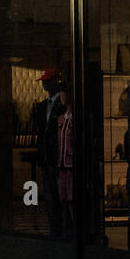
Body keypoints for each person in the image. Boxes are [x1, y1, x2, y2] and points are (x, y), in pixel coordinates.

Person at [31, 69, 65, 238]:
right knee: (51, 198)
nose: (45, 84)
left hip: (57, 158)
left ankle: (61, 231)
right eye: (44, 82)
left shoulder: (63, 104)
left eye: (48, 81)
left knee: (60, 197)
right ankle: (55, 231)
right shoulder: (43, 106)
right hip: (47, 158)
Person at [56, 86, 74, 236]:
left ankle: (74, 227)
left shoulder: (76, 119)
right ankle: (65, 228)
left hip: (71, 163)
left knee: (71, 198)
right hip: (61, 163)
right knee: (63, 197)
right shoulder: (61, 119)